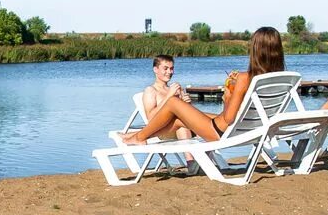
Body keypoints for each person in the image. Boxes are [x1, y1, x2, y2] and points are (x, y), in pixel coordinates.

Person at [121, 27, 284, 144]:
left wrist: (228, 94)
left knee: (173, 103)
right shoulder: (281, 79)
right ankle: (137, 135)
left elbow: (229, 118)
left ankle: (138, 137)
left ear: (255, 50)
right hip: (253, 128)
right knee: (178, 120)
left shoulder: (244, 78)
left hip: (220, 131)